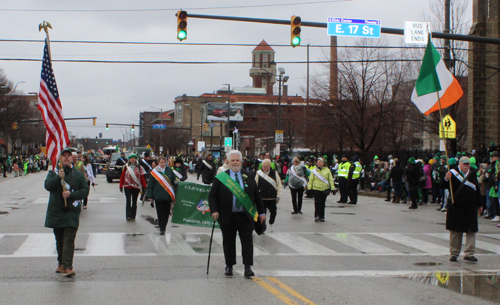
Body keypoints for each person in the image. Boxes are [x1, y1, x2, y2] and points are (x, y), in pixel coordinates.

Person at [209, 150, 265, 277]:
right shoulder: (221, 178)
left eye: (237, 160)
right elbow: (212, 196)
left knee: (247, 242)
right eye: (232, 160)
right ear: (228, 162)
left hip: (245, 216)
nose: (235, 162)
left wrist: (261, 212)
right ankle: (229, 265)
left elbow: (257, 196)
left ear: (241, 161)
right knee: (228, 242)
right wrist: (214, 210)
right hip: (227, 216)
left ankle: (247, 267)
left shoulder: (249, 176)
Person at [44, 148, 89, 277]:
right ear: (60, 158)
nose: (66, 158)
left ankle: (68, 266)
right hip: (56, 211)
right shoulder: (53, 173)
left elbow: (85, 191)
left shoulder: (78, 175)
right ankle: (61, 263)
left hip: (71, 211)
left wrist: (72, 194)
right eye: (64, 156)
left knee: (69, 239)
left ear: (72, 158)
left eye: (69, 156)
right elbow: (48, 186)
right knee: (59, 240)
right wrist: (59, 177)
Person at [445, 157, 483, 262]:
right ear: (460, 164)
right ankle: (454, 253)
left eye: (468, 164)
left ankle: (469, 253)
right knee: (455, 232)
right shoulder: (452, 173)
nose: (466, 166)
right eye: (464, 164)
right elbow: (442, 185)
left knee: (471, 231)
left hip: (470, 207)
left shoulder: (472, 174)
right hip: (456, 206)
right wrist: (446, 179)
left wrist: (480, 204)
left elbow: (477, 190)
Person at [147, 156, 177, 235]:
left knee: (166, 212)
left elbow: (174, 180)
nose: (163, 164)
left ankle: (164, 226)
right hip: (158, 195)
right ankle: (162, 228)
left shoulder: (169, 170)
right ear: (158, 163)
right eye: (161, 162)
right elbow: (150, 184)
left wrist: (177, 182)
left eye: (164, 162)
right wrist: (150, 195)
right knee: (160, 213)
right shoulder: (154, 172)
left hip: (167, 195)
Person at [255, 159, 282, 231]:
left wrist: (278, 195)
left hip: (272, 197)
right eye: (263, 166)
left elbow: (279, 184)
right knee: (262, 213)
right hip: (262, 197)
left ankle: (271, 223)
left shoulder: (274, 173)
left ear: (269, 166)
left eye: (266, 166)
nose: (264, 168)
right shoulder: (259, 173)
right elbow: (255, 184)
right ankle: (263, 227)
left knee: (273, 212)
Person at [119, 154, 147, 221]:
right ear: (129, 159)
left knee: (134, 201)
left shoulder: (140, 167)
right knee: (128, 200)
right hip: (127, 186)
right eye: (131, 158)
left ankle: (133, 216)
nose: (133, 159)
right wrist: (121, 186)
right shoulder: (126, 167)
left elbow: (142, 178)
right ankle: (128, 216)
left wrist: (144, 186)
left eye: (134, 158)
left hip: (136, 187)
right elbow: (122, 177)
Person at [307, 158, 335, 222]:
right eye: (318, 162)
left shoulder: (327, 170)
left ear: (323, 163)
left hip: (324, 188)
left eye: (320, 162)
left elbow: (330, 179)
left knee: (322, 203)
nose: (318, 163)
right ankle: (317, 215)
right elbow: (311, 180)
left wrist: (332, 188)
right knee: (317, 203)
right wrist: (309, 188)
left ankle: (322, 216)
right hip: (316, 188)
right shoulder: (314, 171)